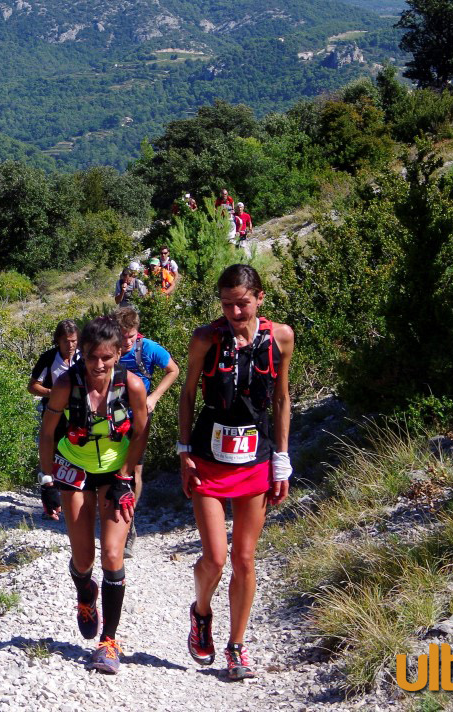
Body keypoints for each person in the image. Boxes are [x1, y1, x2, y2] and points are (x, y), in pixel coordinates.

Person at [177, 263, 294, 682]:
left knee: (244, 559)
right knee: (215, 557)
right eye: (227, 305)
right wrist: (183, 451)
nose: (235, 313)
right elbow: (188, 393)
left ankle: (237, 648)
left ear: (259, 298)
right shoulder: (205, 339)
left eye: (242, 304)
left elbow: (281, 399)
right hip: (209, 458)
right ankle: (201, 612)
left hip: (256, 458)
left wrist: (282, 459)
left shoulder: (280, 337)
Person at [37, 315, 150, 675]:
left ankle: (109, 641)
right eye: (90, 357)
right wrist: (48, 481)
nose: (98, 365)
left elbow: (141, 433)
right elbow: (47, 431)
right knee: (84, 559)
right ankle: (86, 595)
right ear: (81, 355)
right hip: (75, 470)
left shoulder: (132, 386)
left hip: (116, 473)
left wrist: (126, 474)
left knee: (113, 555)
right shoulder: (66, 384)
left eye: (105, 357)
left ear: (119, 353)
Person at [113, 305, 179, 554]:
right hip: (111, 417)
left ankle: (129, 525)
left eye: (130, 336)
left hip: (138, 417)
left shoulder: (148, 348)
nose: (126, 342)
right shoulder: (108, 348)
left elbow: (173, 370)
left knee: (135, 469)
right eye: (122, 336)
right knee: (113, 467)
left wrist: (155, 397)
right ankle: (114, 515)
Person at [29, 320, 80, 519]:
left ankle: (74, 498)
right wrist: (54, 393)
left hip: (78, 414)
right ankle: (50, 499)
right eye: (66, 341)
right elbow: (32, 386)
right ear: (58, 341)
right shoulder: (49, 358)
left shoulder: (83, 357)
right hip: (53, 413)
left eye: (74, 341)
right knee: (50, 452)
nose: (71, 345)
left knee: (76, 453)